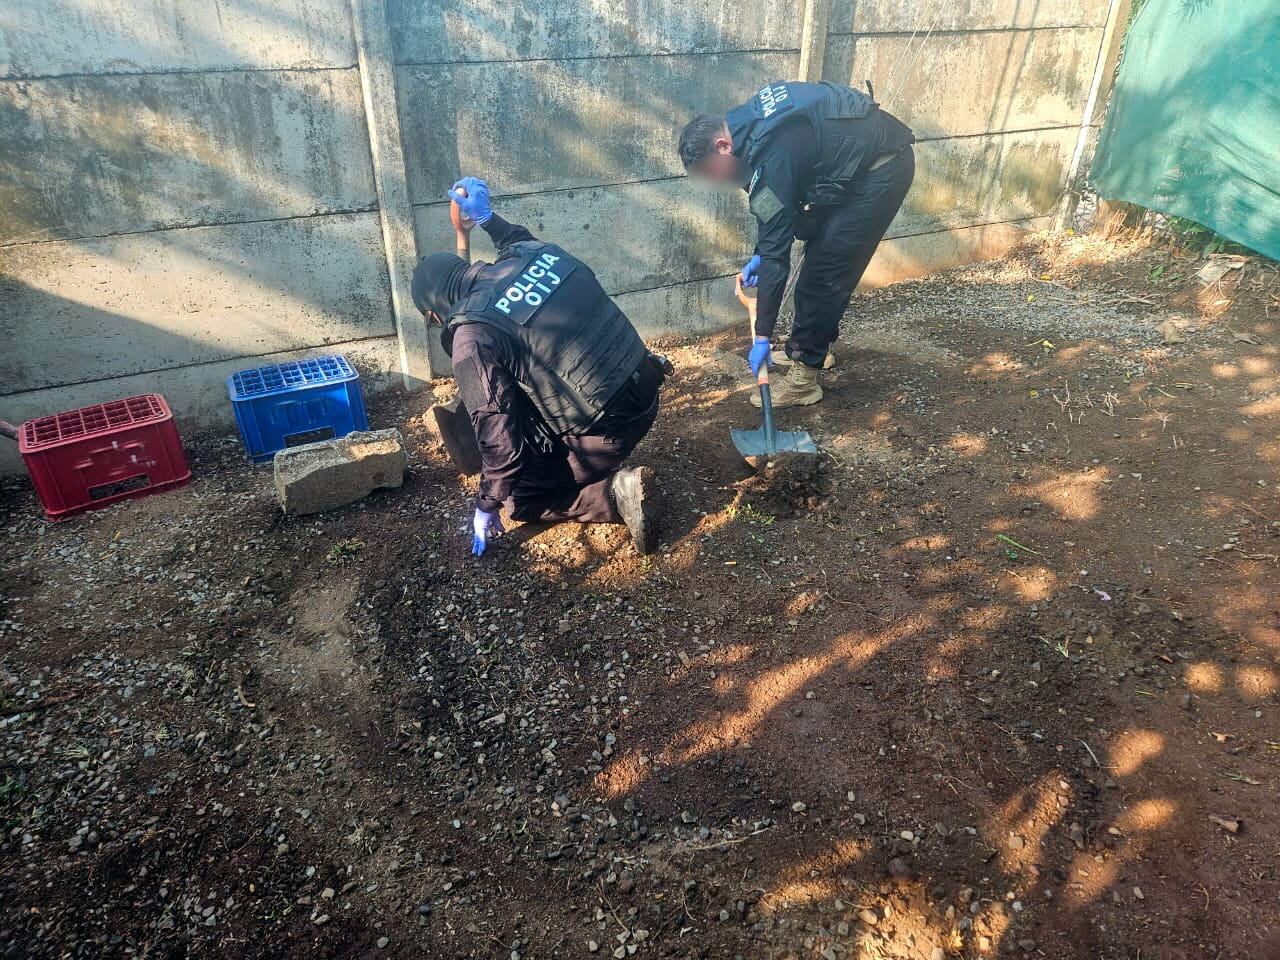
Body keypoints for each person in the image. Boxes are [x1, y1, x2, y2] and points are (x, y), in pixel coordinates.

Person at [412, 177, 667, 557]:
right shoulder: (536, 253)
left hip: (608, 434)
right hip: (647, 391)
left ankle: (615, 494)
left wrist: (488, 503)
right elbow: (515, 238)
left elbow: (502, 448)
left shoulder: (473, 337)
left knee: (520, 497)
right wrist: (483, 219)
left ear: (434, 314)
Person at [678, 80, 916, 408]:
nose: (716, 181)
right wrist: (761, 254)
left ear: (721, 146)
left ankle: (805, 379)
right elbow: (776, 219)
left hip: (881, 168)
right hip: (853, 165)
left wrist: (761, 337)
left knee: (824, 272)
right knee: (820, 256)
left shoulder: (772, 150)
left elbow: (779, 258)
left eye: (709, 172)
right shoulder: (748, 130)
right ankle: (812, 349)